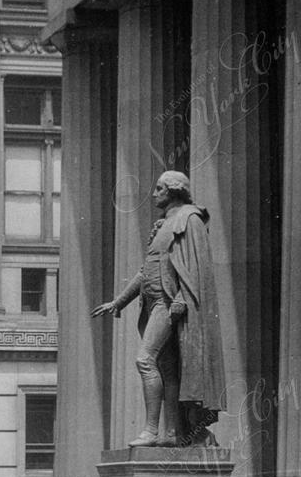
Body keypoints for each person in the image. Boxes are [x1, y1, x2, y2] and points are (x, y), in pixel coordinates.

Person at [93, 170, 226, 447]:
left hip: (169, 303)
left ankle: (152, 431)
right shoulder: (163, 225)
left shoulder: (190, 219)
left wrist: (181, 297)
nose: (154, 194)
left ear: (174, 190)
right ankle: (173, 433)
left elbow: (197, 268)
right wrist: (118, 302)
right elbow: (146, 271)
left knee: (144, 359)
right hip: (152, 302)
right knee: (167, 369)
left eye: (159, 189)